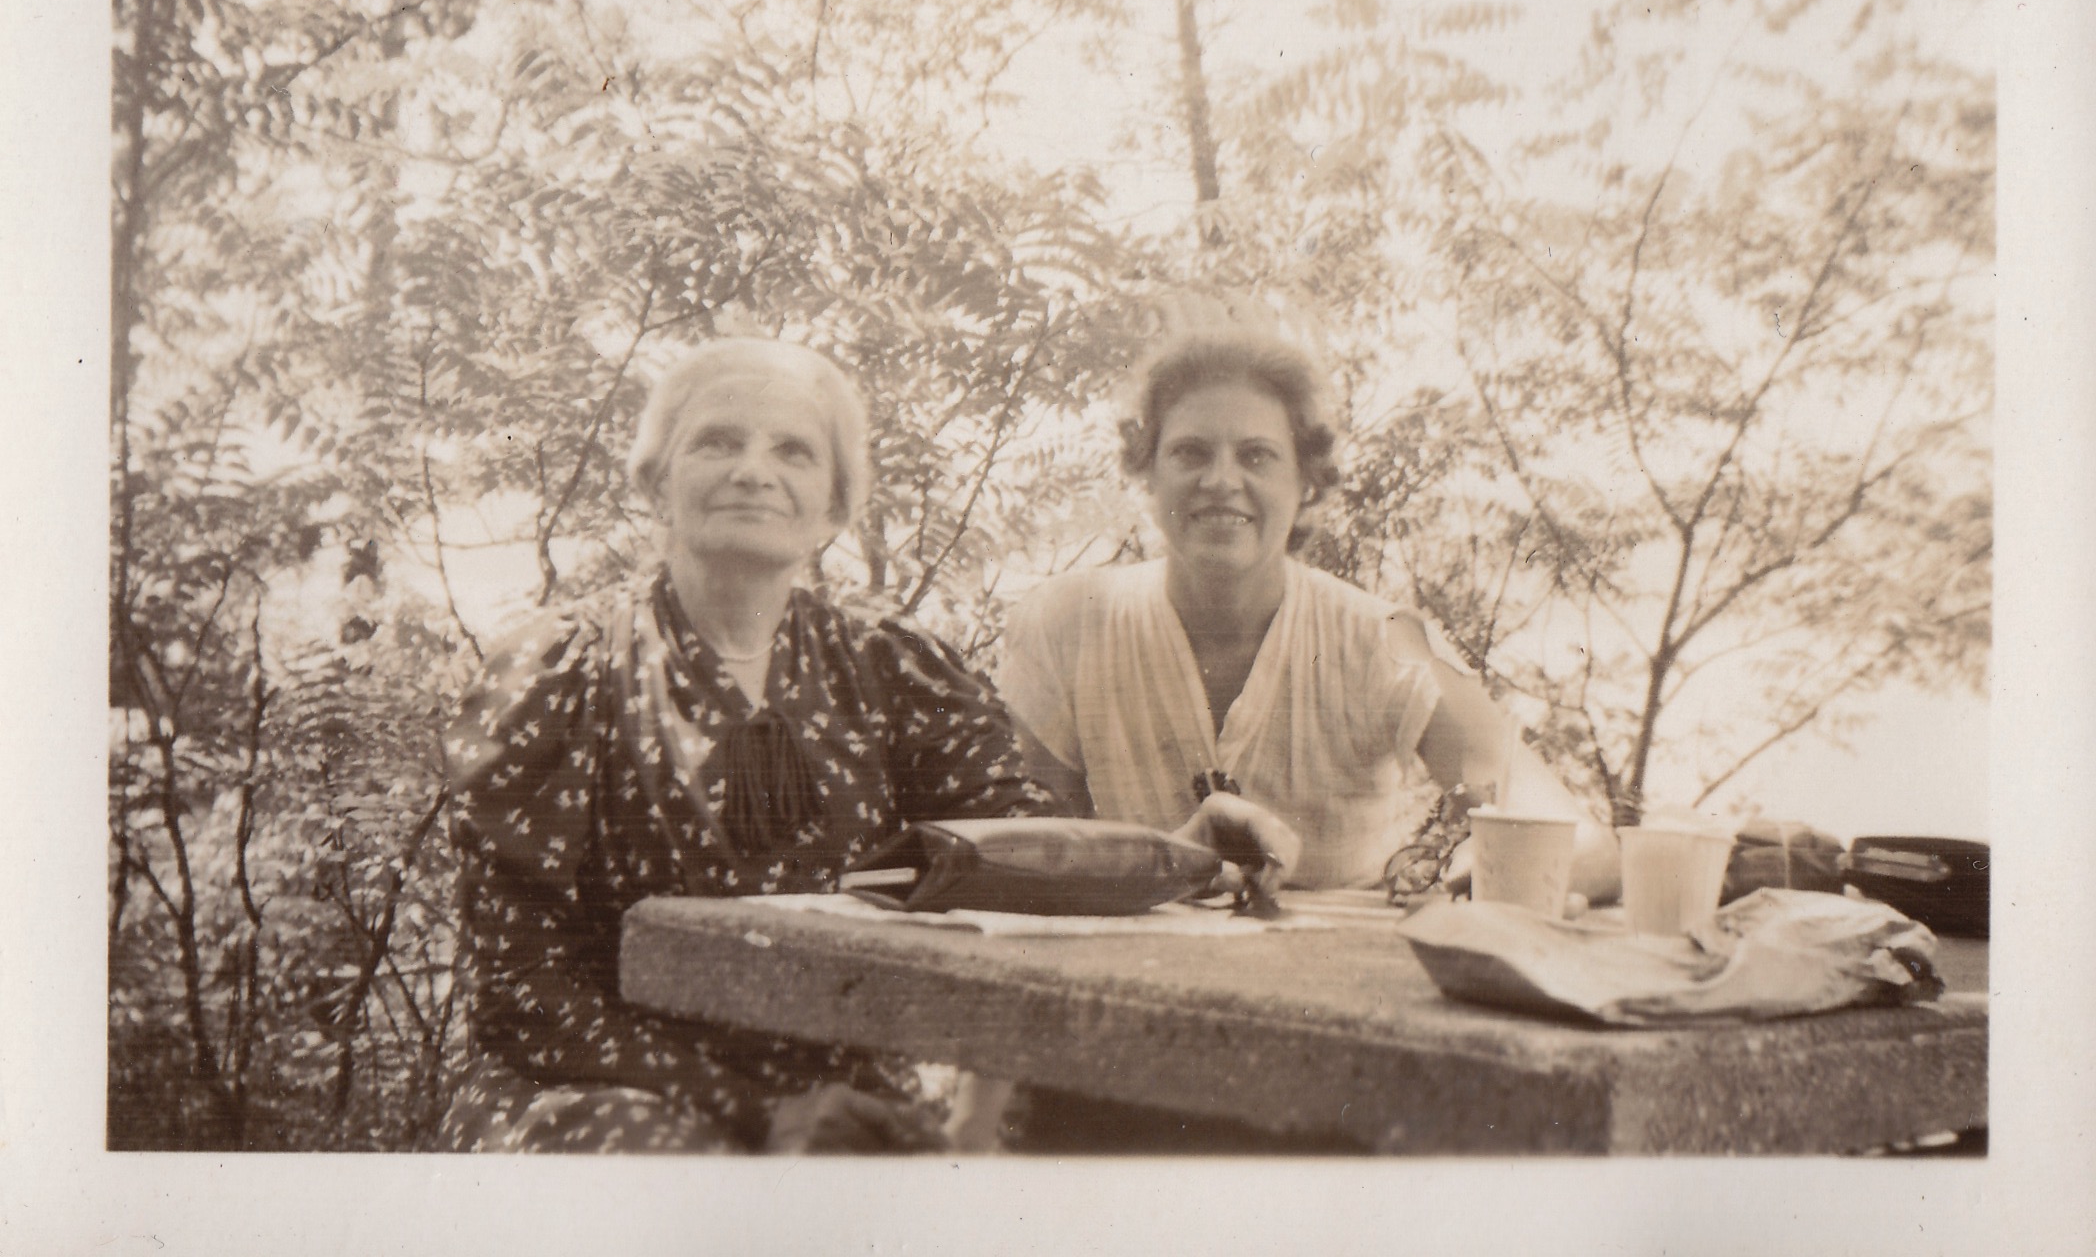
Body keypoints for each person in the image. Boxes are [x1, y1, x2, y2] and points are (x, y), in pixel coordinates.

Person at [438, 338, 1070, 1154]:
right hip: (601, 1096)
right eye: (717, 441)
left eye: (793, 451)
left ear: (834, 508)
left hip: (845, 1105)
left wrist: (1188, 859)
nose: (752, 470)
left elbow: (1018, 861)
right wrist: (752, 1114)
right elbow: (521, 988)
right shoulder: (565, 670)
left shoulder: (891, 668)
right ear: (656, 485)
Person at [1000, 325, 1619, 898]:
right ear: (1148, 474)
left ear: (1307, 483)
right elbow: (1014, 850)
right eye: (1189, 452)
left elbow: (1583, 842)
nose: (1220, 479)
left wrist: (1469, 881)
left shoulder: (1382, 638)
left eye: (1257, 455)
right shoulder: (1068, 622)